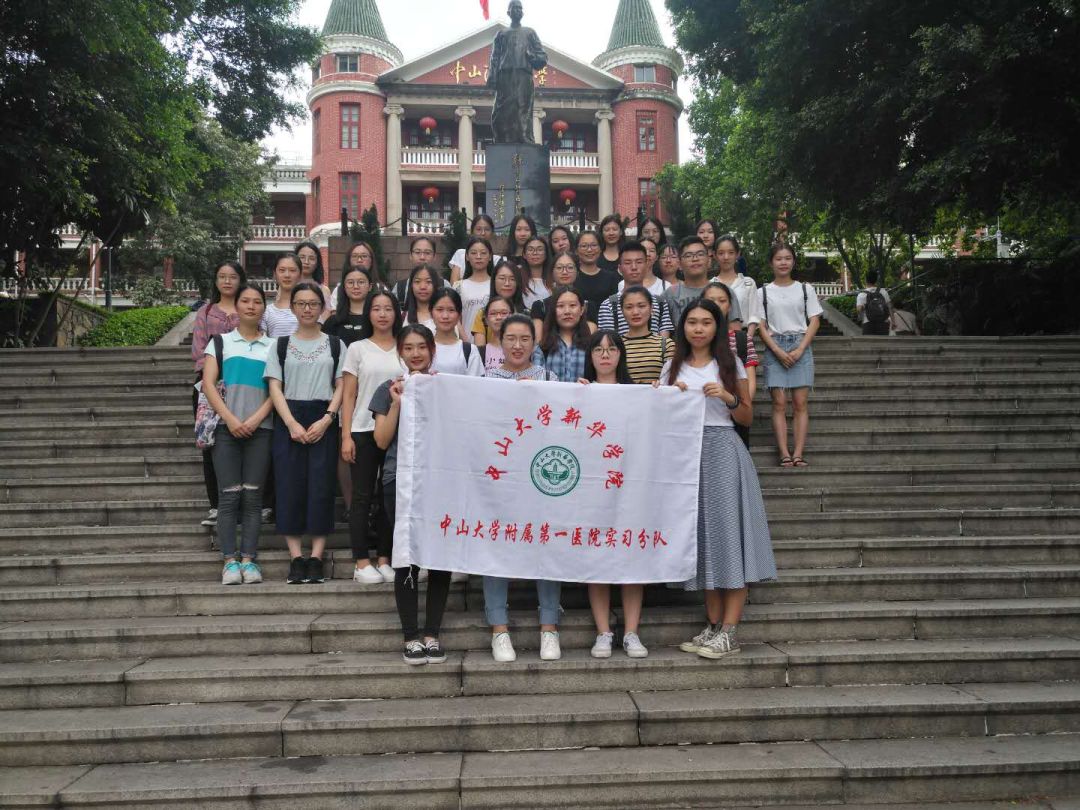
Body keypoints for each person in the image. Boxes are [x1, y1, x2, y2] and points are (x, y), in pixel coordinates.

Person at [660, 299, 775, 660]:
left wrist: (727, 396)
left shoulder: (730, 363)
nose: (698, 328)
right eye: (692, 322)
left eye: (706, 322)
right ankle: (712, 626)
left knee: (729, 537)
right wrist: (664, 394)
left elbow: (746, 417)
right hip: (686, 457)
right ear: (683, 327)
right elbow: (657, 417)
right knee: (704, 539)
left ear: (717, 327)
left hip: (723, 450)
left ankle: (729, 630)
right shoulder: (671, 366)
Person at [371, 325, 454, 665]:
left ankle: (432, 633)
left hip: (440, 480)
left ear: (432, 350)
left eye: (422, 346)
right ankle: (411, 635)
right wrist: (396, 404)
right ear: (400, 353)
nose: (416, 353)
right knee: (406, 553)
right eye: (409, 347)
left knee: (439, 556)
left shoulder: (446, 388)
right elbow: (380, 440)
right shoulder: (388, 388)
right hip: (398, 479)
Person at [482, 314, 560, 662]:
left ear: (534, 342)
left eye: (525, 339)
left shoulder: (549, 378)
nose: (517, 345)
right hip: (500, 476)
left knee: (546, 545)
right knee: (496, 547)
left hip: (540, 477)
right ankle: (499, 629)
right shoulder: (485, 380)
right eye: (510, 338)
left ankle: (549, 627)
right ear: (500, 342)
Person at [264, 282, 345, 585]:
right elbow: (274, 386)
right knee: (289, 486)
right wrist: (291, 424)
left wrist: (327, 419)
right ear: (293, 307)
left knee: (322, 487)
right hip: (290, 418)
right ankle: (296, 557)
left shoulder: (336, 344)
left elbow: (342, 385)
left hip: (323, 416)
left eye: (313, 303)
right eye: (301, 303)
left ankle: (317, 557)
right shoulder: (280, 345)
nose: (307, 309)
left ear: (323, 306)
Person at [577, 330, 650, 659]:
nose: (604, 355)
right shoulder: (578, 392)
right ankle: (603, 631)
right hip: (591, 489)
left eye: (611, 349)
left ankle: (632, 631)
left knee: (631, 558)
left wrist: (669, 397)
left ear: (621, 355)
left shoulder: (638, 393)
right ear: (590, 355)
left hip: (629, 489)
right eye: (598, 349)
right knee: (598, 560)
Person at [201, 284, 274, 585]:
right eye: (245, 300)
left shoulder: (274, 347)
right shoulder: (219, 342)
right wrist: (230, 419)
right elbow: (208, 384)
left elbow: (276, 391)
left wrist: (255, 419)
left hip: (262, 429)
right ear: (237, 305)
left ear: (263, 308)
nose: (251, 306)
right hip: (225, 428)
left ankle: (249, 560)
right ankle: (229, 561)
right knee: (228, 498)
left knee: (253, 498)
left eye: (258, 301)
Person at [340, 289, 405, 584]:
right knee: (362, 497)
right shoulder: (357, 348)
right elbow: (349, 395)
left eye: (388, 309)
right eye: (376, 309)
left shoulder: (404, 348)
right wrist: (346, 436)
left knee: (390, 496)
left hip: (396, 430)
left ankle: (384, 557)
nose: (382, 314)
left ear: (397, 314)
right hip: (363, 430)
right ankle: (362, 561)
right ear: (368, 313)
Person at [756, 243, 822, 468]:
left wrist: (801, 348)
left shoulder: (805, 289)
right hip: (775, 345)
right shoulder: (762, 292)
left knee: (800, 402)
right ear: (771, 262)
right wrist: (776, 350)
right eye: (778, 258)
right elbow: (760, 325)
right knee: (779, 402)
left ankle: (799, 453)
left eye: (787, 258)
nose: (783, 262)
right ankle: (784, 453)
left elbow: (814, 320)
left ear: (793, 261)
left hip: (800, 342)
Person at [192, 261, 243, 527]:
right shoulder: (206, 312)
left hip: (243, 386)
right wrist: (214, 377)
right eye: (221, 276)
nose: (226, 281)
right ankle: (216, 505)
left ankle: (243, 504)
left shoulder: (248, 309)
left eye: (232, 277)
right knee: (210, 445)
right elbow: (198, 353)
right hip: (209, 388)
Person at [703, 282, 759, 448]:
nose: (717, 305)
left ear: (730, 306)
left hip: (734, 417)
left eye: (722, 300)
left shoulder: (741, 339)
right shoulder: (693, 338)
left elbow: (750, 383)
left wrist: (738, 405)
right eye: (711, 300)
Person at [597, 242, 674, 336]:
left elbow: (664, 343)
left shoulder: (660, 303)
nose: (634, 267)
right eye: (628, 263)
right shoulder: (608, 306)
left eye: (639, 262)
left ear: (646, 265)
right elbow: (608, 342)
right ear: (620, 268)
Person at [665, 236, 741, 325]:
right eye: (688, 255)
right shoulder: (669, 295)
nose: (695, 259)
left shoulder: (724, 292)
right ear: (680, 264)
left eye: (700, 254)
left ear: (709, 260)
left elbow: (734, 331)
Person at [619, 285, 674, 384]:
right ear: (622, 311)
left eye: (641, 306)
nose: (635, 312)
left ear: (651, 308)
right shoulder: (616, 345)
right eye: (629, 307)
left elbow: (672, 381)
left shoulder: (666, 345)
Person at [710, 236, 762, 335]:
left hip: (743, 336)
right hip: (716, 337)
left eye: (731, 253)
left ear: (737, 254)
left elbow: (754, 315)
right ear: (715, 255)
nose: (726, 257)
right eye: (721, 253)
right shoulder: (710, 285)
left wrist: (746, 340)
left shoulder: (748, 283)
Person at [539, 286, 591, 382]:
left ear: (582, 310)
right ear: (553, 311)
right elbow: (537, 383)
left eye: (572, 305)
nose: (567, 311)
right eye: (560, 306)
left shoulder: (591, 347)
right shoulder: (542, 348)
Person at [430, 288, 484, 376]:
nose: (445, 316)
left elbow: (476, 385)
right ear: (431, 312)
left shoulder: (470, 350)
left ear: (459, 315)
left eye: (451, 310)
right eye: (439, 309)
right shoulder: (423, 348)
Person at [472, 259, 527, 344]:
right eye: (502, 278)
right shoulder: (482, 314)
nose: (507, 283)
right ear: (494, 281)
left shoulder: (527, 314)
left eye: (512, 279)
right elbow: (480, 351)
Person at [453, 236, 495, 342]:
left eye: (483, 253)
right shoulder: (458, 286)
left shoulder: (497, 284)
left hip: (493, 347)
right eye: (473, 253)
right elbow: (456, 319)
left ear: (490, 257)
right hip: (466, 345)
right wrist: (466, 342)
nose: (478, 256)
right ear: (467, 257)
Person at [530, 250, 577, 340]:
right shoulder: (540, 306)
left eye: (570, 267)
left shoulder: (587, 306)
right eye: (559, 268)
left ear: (577, 271)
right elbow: (538, 343)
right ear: (552, 272)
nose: (564, 272)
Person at [574, 230, 619, 323]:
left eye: (594, 245)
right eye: (584, 246)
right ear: (576, 251)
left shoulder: (611, 277)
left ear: (600, 249)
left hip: (606, 328)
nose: (589, 250)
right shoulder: (572, 277)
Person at [322, 267, 372, 346]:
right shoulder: (333, 322)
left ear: (370, 286)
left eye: (361, 282)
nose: (356, 286)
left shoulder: (376, 319)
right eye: (350, 282)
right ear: (344, 287)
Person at [260, 254, 302, 338]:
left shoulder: (309, 306)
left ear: (300, 275)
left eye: (292, 270)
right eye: (282, 270)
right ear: (275, 274)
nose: (287, 275)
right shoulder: (267, 311)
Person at [449, 216, 501, 283]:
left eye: (487, 229)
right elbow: (454, 283)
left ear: (492, 233)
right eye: (478, 229)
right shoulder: (461, 254)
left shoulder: (497, 260)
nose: (483, 233)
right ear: (472, 231)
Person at [329, 241, 376, 310]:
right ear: (349, 260)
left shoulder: (381, 288)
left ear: (371, 260)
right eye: (355, 256)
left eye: (364, 256)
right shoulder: (339, 290)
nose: (359, 260)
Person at [391, 237, 439, 303]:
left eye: (427, 253)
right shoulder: (400, 288)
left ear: (434, 257)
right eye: (417, 252)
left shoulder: (444, 284)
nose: (422, 257)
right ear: (410, 256)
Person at [295, 241, 333, 321]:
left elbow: (325, 319)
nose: (306, 262)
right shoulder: (289, 288)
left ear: (317, 263)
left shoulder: (324, 290)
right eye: (302, 257)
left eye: (311, 258)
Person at [477, 296, 515, 373]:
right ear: (486, 320)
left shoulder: (522, 350)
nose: (498, 317)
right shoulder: (479, 353)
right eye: (493, 313)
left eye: (504, 313)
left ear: (512, 316)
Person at [402, 264, 443, 331]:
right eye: (417, 281)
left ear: (435, 285)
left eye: (428, 282)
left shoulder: (446, 316)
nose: (423, 287)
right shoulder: (402, 317)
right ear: (411, 285)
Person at [857, 270, 892, 335]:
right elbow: (890, 307)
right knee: (883, 344)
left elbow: (859, 310)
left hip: (868, 324)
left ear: (866, 280)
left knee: (869, 344)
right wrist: (894, 322)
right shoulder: (883, 292)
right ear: (876, 280)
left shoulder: (862, 294)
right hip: (883, 323)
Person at [521, 236, 551, 308]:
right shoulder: (517, 278)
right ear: (524, 254)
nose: (535, 253)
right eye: (530, 249)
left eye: (540, 249)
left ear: (546, 254)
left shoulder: (554, 279)